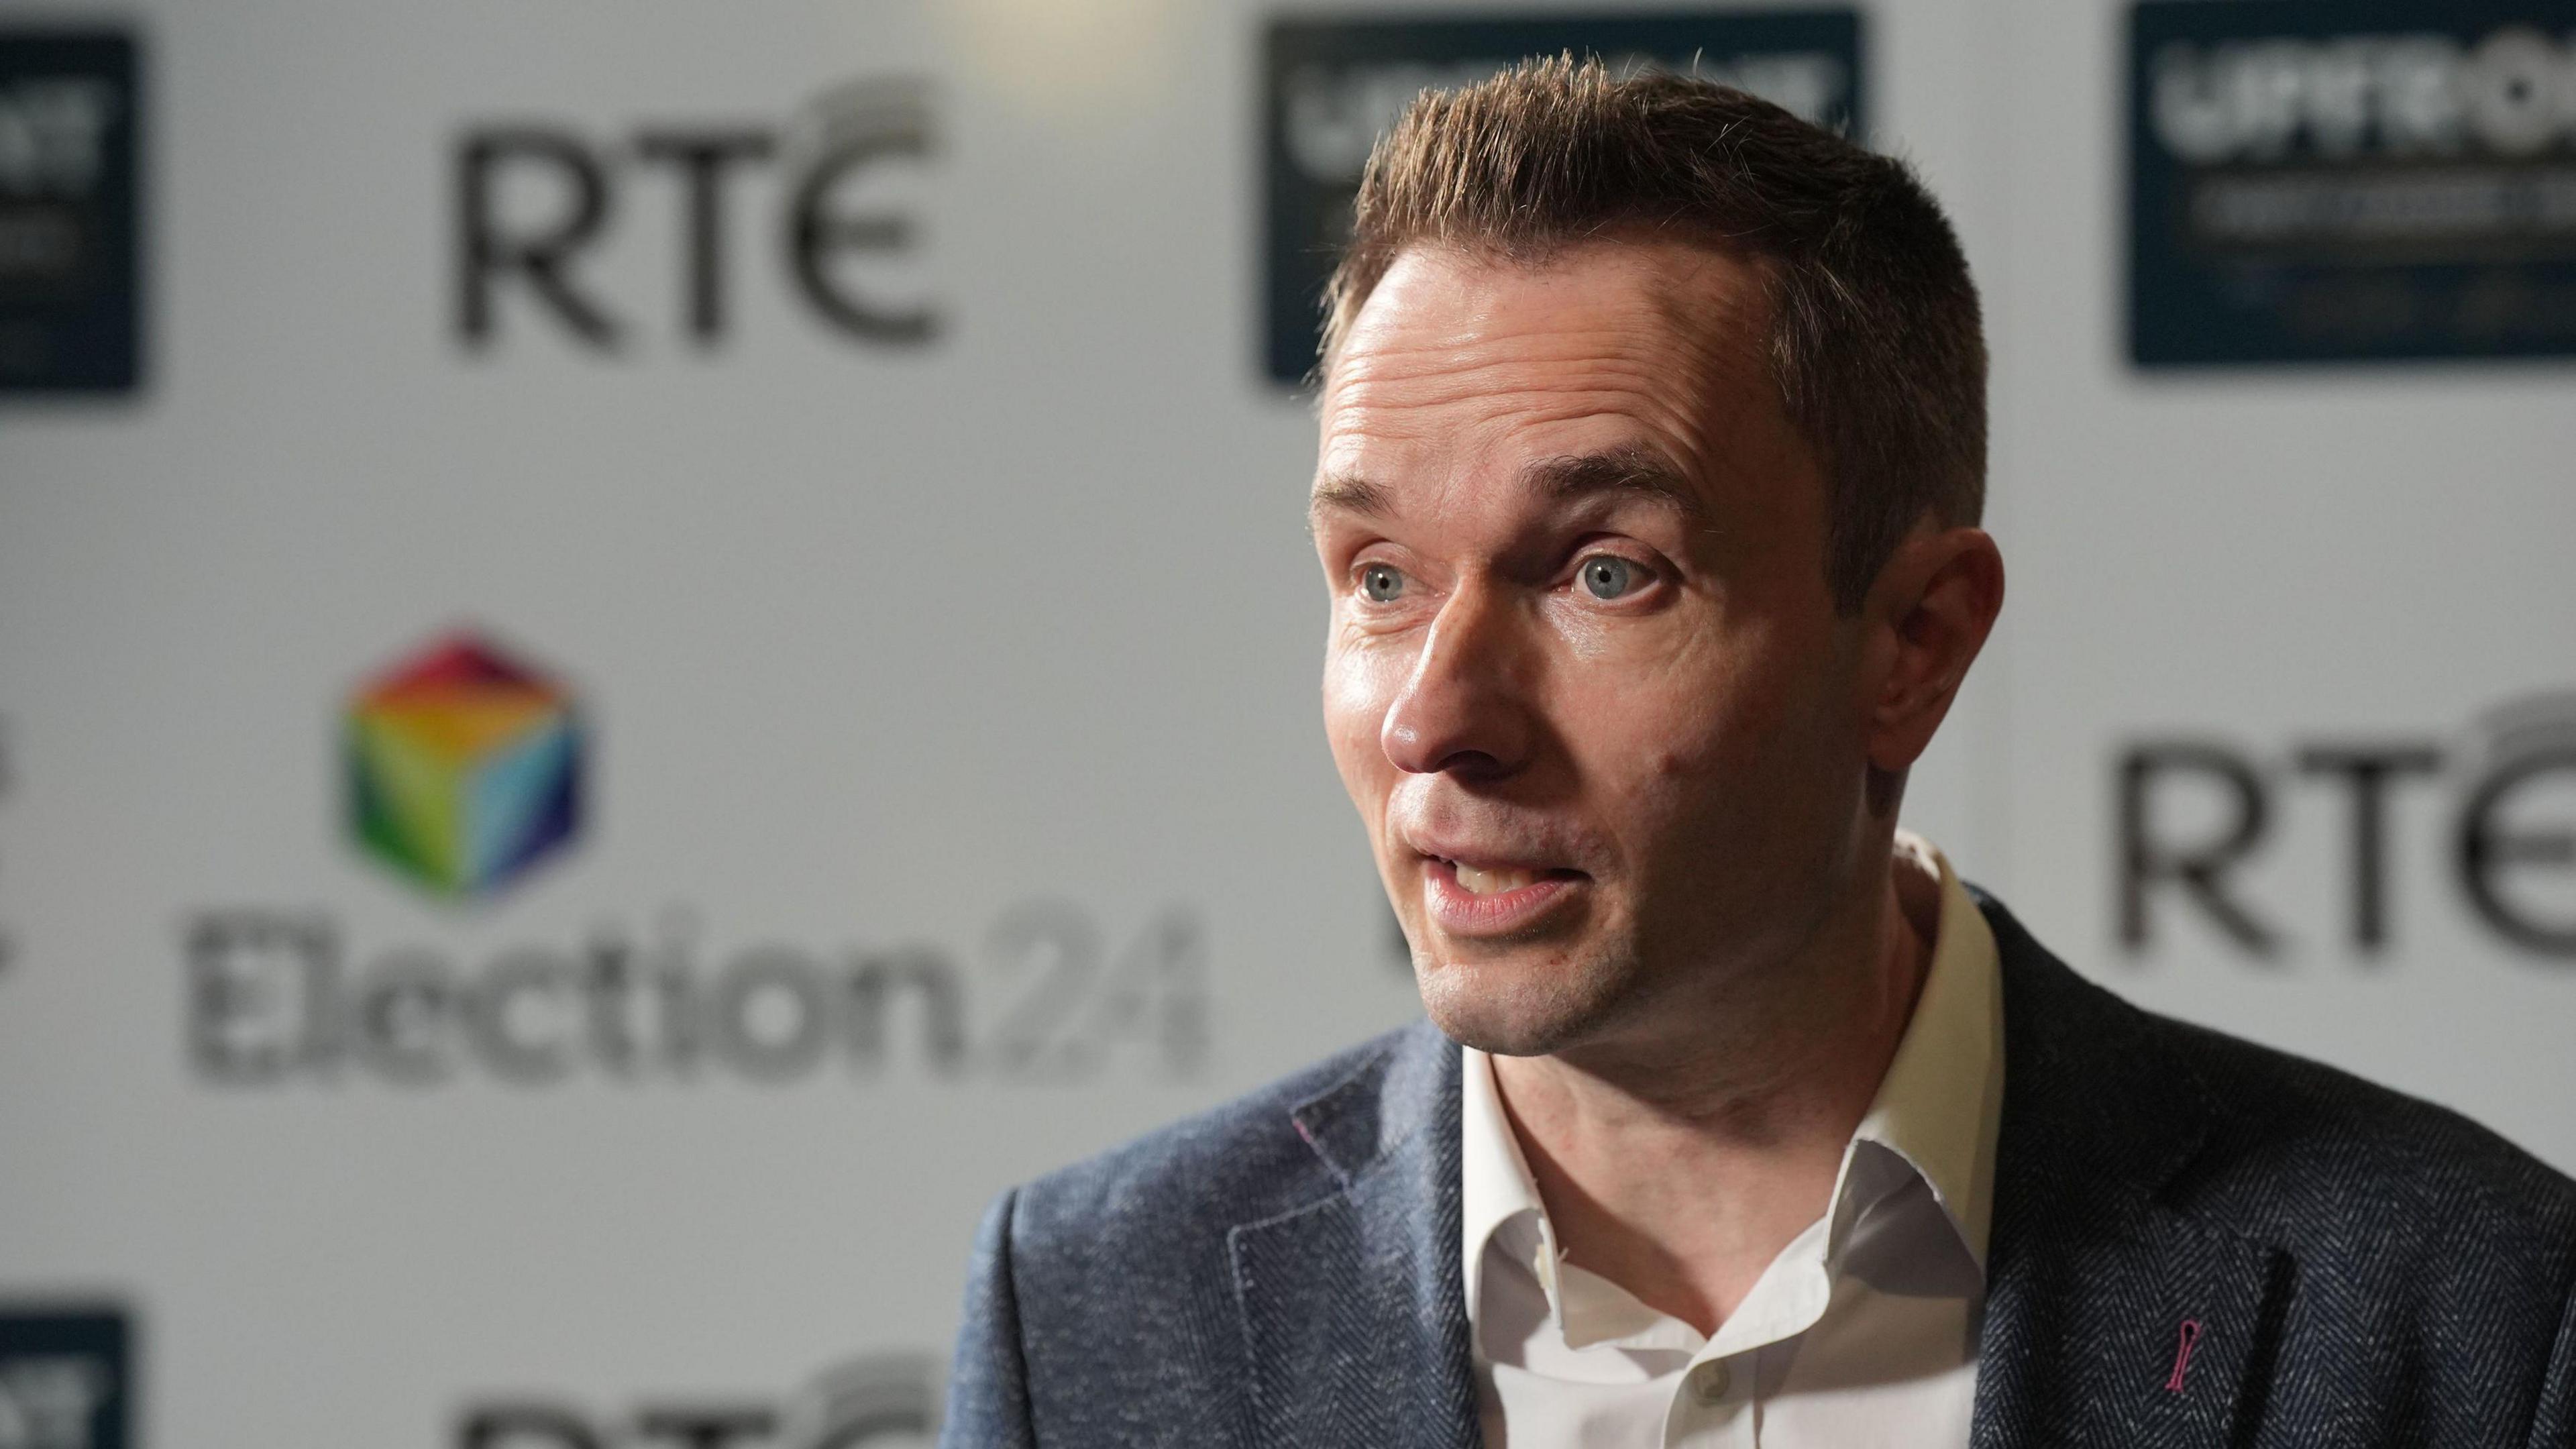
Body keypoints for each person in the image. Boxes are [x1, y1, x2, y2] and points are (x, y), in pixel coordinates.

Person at [938, 58, 2576, 1448]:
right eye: (1381, 577)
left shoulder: (2463, 1317)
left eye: (1603, 573)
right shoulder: (1087, 1321)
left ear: (1915, 645)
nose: (1437, 716)